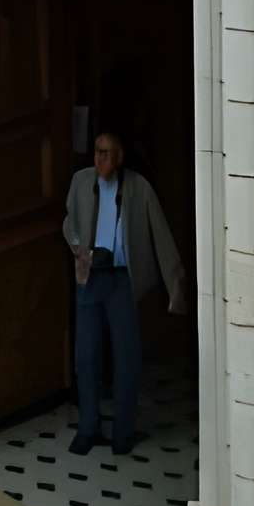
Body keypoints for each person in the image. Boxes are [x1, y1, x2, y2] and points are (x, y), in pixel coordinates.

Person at [62, 128, 186, 456]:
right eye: (97, 151)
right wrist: (78, 247)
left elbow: (159, 233)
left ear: (119, 158)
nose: (100, 158)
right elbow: (69, 221)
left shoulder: (138, 189)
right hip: (90, 276)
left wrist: (175, 284)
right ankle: (88, 428)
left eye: (107, 152)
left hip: (122, 279)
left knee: (126, 357)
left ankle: (123, 432)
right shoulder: (81, 182)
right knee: (86, 355)